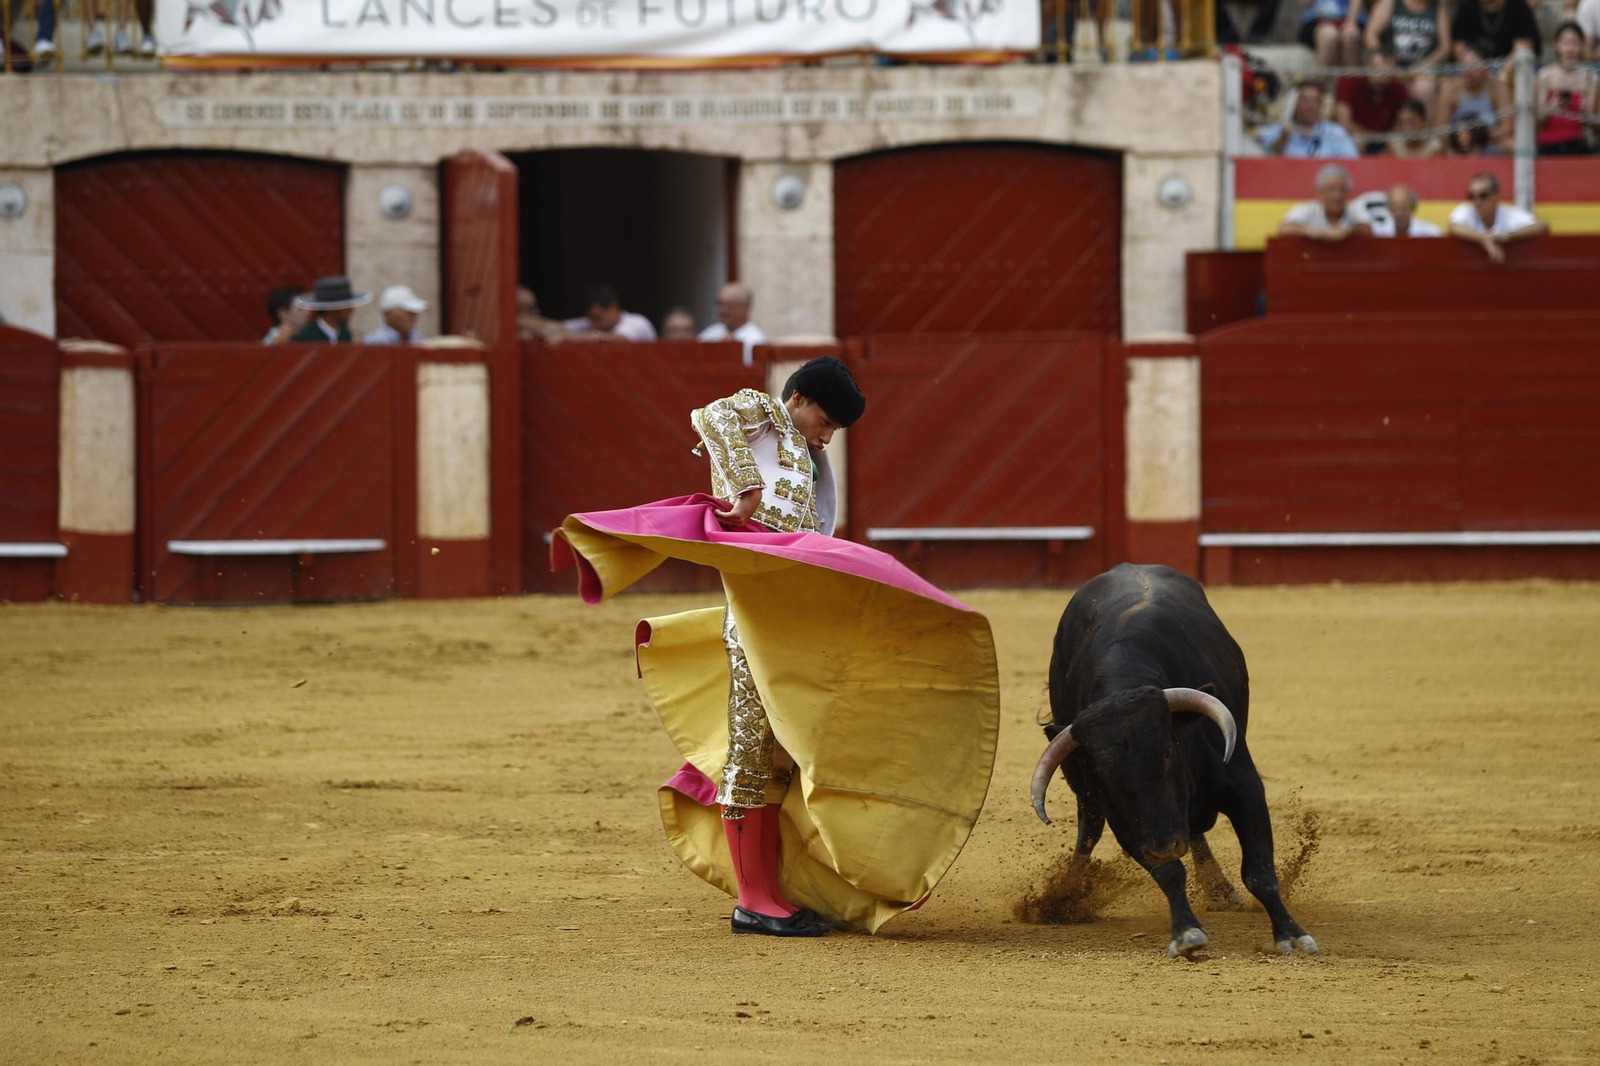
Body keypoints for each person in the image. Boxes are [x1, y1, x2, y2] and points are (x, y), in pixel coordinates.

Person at [551, 357, 999, 939]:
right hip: (756, 618)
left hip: (796, 619)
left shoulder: (813, 463)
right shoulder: (765, 415)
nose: (827, 434)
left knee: (789, 752)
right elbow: (710, 416)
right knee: (753, 751)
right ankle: (755, 900)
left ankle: (780, 889)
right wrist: (744, 483)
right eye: (825, 419)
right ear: (797, 398)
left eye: (836, 428)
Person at [1363, 0, 1451, 111]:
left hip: (1423, 68)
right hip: (1390, 65)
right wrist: (1383, 58)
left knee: (1424, 86)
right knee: (1380, 76)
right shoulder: (1390, 3)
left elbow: (1445, 48)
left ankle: (1423, 126)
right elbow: (1370, 35)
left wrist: (1423, 66)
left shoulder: (1438, 8)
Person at [1448, 172, 1550, 262]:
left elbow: (1542, 225)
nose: (1477, 201)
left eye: (1483, 195)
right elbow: (1453, 227)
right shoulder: (1466, 210)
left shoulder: (1509, 213)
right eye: (1472, 196)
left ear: (1497, 195)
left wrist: (1508, 236)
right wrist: (1486, 240)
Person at [1435, 40, 1513, 152]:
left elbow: (1507, 128)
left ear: (1486, 69)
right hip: (1460, 147)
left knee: (1511, 145)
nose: (1468, 72)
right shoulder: (1451, 90)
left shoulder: (1498, 88)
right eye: (1465, 66)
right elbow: (1441, 131)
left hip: (1490, 144)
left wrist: (1476, 136)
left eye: (1474, 67)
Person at [1536, 22, 1599, 156]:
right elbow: (1537, 121)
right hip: (1548, 144)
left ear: (1582, 46)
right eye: (1565, 43)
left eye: (1575, 44)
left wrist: (1585, 112)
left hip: (1578, 143)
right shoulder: (1545, 75)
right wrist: (1550, 108)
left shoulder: (1591, 78)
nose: (1570, 49)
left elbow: (1595, 126)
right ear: (1556, 45)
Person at [1335, 50, 1413, 153]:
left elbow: (1404, 120)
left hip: (1386, 140)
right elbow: (1344, 122)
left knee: (1397, 142)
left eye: (1388, 73)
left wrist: (1389, 138)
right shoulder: (1349, 81)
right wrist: (1373, 137)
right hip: (1357, 137)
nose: (1382, 79)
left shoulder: (1398, 88)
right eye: (1378, 71)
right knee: (1357, 141)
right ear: (1368, 67)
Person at [1256, 81, 1362, 158]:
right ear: (1295, 104)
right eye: (1305, 101)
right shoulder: (1280, 130)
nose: (1310, 107)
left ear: (1321, 105)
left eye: (1315, 101)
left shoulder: (1335, 132)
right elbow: (1261, 158)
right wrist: (1283, 139)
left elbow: (1352, 162)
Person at [1278, 164, 1374, 241]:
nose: (1336, 196)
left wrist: (1348, 231)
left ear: (1348, 192)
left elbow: (1367, 229)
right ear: (1319, 192)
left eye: (1342, 189)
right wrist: (1307, 231)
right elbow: (1283, 229)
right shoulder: (1306, 209)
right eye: (1330, 189)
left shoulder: (1356, 208)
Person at [698, 282, 769, 366]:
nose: (722, 310)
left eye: (728, 305)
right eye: (719, 304)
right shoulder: (710, 333)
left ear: (745, 308)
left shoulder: (756, 340)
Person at [290, 275, 371, 343]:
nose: (352, 310)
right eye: (347, 307)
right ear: (333, 310)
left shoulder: (345, 334)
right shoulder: (304, 336)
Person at [562, 284, 657, 341]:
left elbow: (615, 340)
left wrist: (562, 337)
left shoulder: (638, 322)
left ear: (613, 308)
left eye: (596, 318)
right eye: (590, 318)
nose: (593, 324)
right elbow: (553, 327)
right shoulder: (591, 322)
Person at [1451, 0, 1540, 61]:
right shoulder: (1466, 7)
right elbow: (1459, 49)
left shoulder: (1518, 6)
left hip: (1509, 71)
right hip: (1476, 73)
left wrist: (1503, 72)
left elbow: (1522, 47)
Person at [1299, 0, 1362, 67]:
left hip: (1349, 19)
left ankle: (1351, 75)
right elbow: (1305, 1)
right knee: (1329, 36)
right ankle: (1324, 76)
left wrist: (1351, 22)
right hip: (1317, 21)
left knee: (1350, 36)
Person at [363, 285, 428, 344]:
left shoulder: (418, 338)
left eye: (415, 312)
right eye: (409, 311)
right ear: (389, 313)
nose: (413, 316)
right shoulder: (375, 342)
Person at [1372, 184, 1443, 236]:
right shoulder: (1377, 233)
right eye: (1395, 207)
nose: (1400, 213)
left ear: (1413, 207)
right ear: (1388, 208)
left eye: (1404, 207)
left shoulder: (1431, 233)